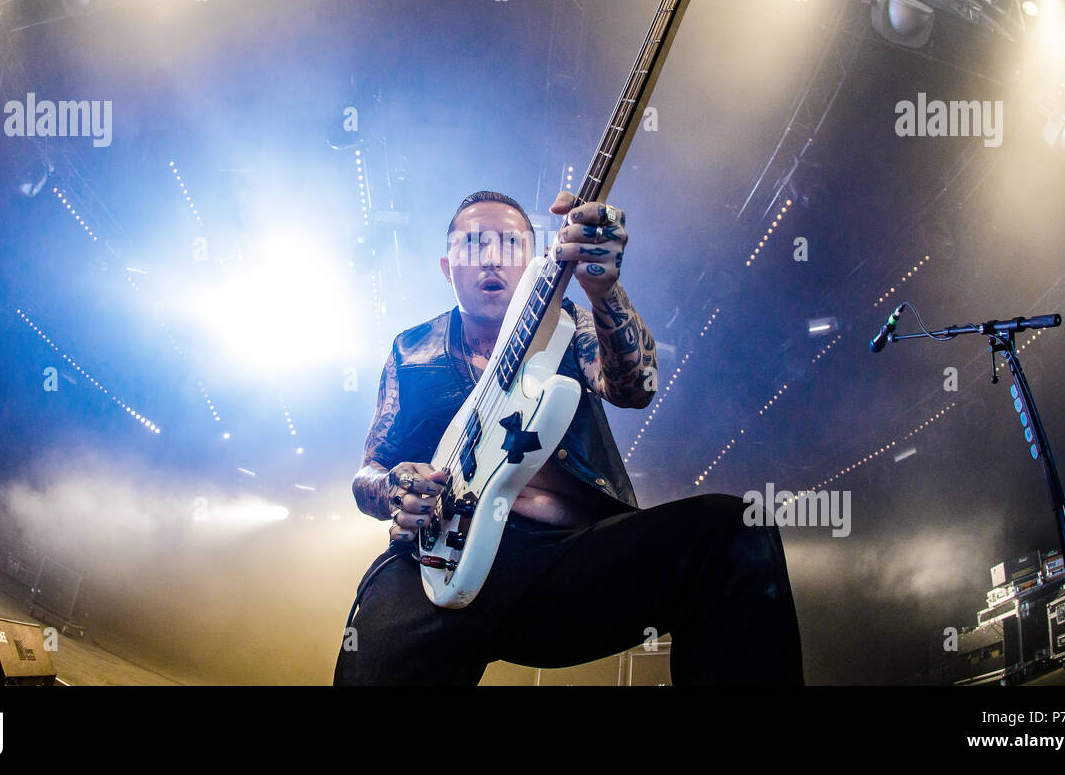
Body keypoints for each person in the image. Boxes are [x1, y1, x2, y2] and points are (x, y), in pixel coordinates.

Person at [332, 190, 803, 685]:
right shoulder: (409, 350)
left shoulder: (571, 324)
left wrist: (603, 292)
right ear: (448, 268)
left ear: (534, 261)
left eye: (510, 244)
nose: (491, 258)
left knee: (731, 530)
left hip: (565, 560)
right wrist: (395, 490)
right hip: (434, 563)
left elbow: (636, 388)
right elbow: (369, 471)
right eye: (472, 245)